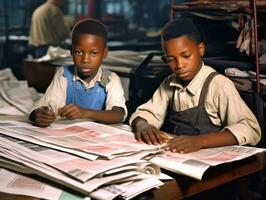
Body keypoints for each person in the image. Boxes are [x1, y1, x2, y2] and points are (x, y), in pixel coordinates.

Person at [130, 19, 261, 154]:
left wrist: (200, 141)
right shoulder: (169, 83)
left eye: (186, 56)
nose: (179, 65)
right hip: (179, 155)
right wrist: (143, 125)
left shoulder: (219, 85)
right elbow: (147, 112)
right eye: (171, 59)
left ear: (201, 49)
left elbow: (250, 128)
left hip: (211, 159)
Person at [29, 18, 127, 127]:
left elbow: (118, 114)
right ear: (71, 51)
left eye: (94, 53)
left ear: (104, 53)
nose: (85, 60)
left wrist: (84, 113)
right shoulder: (64, 74)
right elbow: (47, 103)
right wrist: (39, 114)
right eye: (78, 52)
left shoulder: (111, 79)